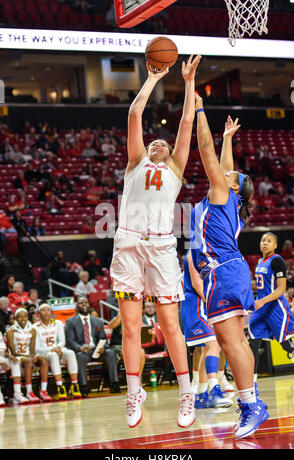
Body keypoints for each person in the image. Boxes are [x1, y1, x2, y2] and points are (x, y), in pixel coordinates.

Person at [109, 54, 202, 428]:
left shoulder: (175, 170)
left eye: (163, 144)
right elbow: (134, 116)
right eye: (155, 143)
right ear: (147, 151)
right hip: (128, 245)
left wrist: (189, 81)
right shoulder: (136, 163)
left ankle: (186, 391)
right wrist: (151, 79)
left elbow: (185, 122)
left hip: (162, 248)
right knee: (130, 327)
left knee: (170, 326)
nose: (159, 143)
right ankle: (134, 393)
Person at [191, 100, 269, 439]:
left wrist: (199, 113)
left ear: (233, 187)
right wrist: (228, 139)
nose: (225, 172)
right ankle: (251, 401)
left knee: (231, 342)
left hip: (223, 272)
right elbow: (225, 166)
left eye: (230, 175)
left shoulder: (222, 192)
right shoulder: (229, 196)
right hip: (230, 271)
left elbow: (206, 152)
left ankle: (251, 405)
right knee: (231, 341)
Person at [181, 250, 233, 409]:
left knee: (207, 349)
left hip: (203, 303)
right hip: (196, 304)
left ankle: (202, 395)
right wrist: (212, 303)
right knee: (213, 346)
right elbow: (197, 284)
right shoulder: (193, 254)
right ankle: (214, 389)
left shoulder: (211, 253)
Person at [248, 233, 294, 378]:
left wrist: (262, 301)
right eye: (263, 240)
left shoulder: (277, 261)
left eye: (269, 241)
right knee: (253, 345)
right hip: (260, 309)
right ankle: (252, 384)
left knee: (288, 347)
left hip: (275, 308)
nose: (265, 243)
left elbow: (282, 289)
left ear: (275, 245)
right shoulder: (259, 262)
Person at [65, 297, 120, 397]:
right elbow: (70, 340)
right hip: (83, 351)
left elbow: (103, 337)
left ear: (89, 305)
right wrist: (80, 348)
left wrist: (103, 347)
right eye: (81, 303)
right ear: (77, 306)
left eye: (86, 302)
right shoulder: (71, 321)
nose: (84, 304)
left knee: (110, 353)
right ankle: (84, 386)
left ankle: (114, 384)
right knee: (80, 357)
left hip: (96, 350)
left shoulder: (97, 321)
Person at [33, 303, 81, 400]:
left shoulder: (58, 323)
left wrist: (58, 347)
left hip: (58, 351)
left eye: (48, 310)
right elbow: (36, 348)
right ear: (38, 314)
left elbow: (62, 341)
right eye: (43, 310)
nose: (46, 312)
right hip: (45, 355)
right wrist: (52, 349)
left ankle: (75, 385)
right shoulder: (34, 327)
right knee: (53, 355)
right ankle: (60, 386)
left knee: (70, 353)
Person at [6, 307, 52, 403]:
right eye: (19, 317)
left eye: (24, 316)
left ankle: (43, 390)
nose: (22, 319)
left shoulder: (32, 330)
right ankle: (29, 391)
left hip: (27, 356)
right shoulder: (10, 331)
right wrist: (28, 357)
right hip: (17, 357)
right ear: (15, 319)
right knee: (28, 361)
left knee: (43, 359)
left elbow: (31, 349)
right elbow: (13, 351)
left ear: (27, 317)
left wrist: (32, 355)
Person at [109, 311, 146, 385]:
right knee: (127, 353)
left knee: (141, 352)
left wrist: (151, 332)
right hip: (118, 346)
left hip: (131, 346)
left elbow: (144, 333)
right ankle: (132, 380)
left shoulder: (135, 320)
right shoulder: (117, 319)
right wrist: (120, 316)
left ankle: (138, 378)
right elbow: (111, 326)